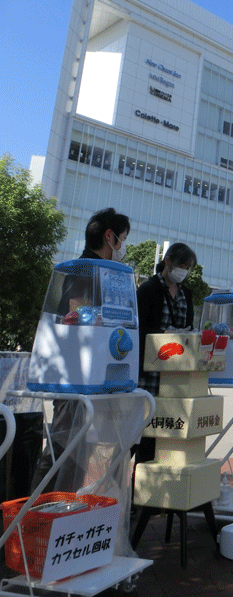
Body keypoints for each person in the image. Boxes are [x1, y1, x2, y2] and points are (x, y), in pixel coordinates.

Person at [31, 208, 131, 492]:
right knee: (63, 447)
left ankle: (61, 512)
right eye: (122, 239)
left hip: (89, 375)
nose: (122, 247)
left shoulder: (98, 271)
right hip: (76, 374)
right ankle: (34, 518)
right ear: (109, 237)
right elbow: (77, 314)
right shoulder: (86, 270)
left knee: (77, 451)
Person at [135, 243, 196, 462]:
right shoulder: (148, 289)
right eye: (181, 264)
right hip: (149, 372)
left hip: (175, 373)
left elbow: (188, 328)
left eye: (188, 267)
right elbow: (138, 329)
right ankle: (132, 481)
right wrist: (164, 333)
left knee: (165, 432)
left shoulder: (185, 294)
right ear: (168, 261)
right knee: (143, 430)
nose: (184, 270)